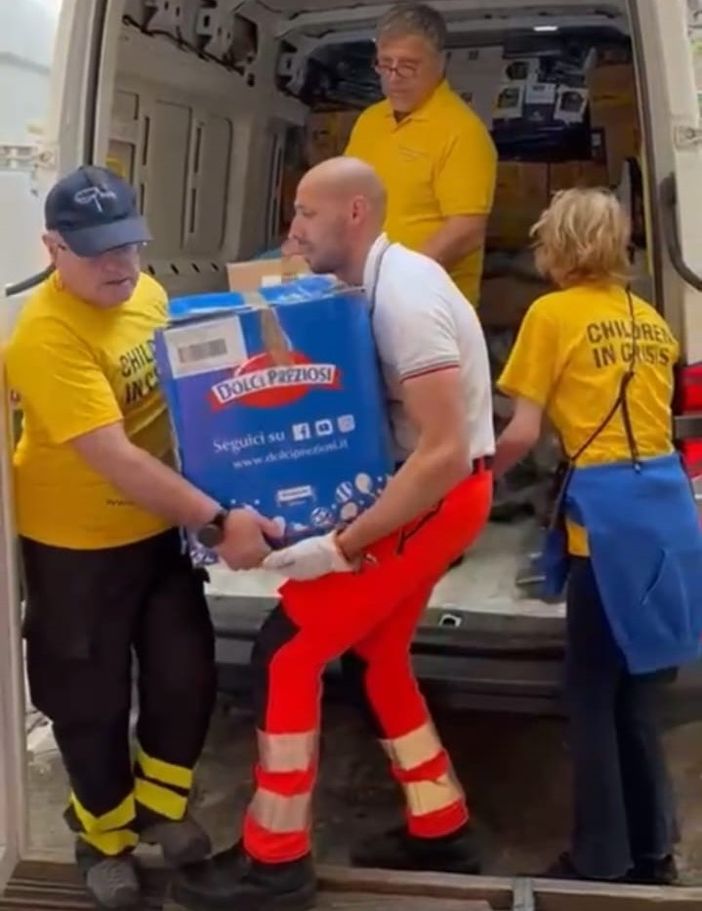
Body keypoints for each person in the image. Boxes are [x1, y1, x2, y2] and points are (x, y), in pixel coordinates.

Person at [172, 156, 495, 911]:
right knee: (377, 658)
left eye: (306, 213)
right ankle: (442, 824)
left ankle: (274, 859)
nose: (293, 228)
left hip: (437, 495)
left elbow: (443, 451)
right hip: (433, 495)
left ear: (355, 213)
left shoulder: (405, 297)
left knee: (287, 651)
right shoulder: (365, 289)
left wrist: (342, 548)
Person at [5, 165, 278, 911]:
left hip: (157, 533)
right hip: (75, 549)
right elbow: (116, 457)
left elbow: (190, 396)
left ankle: (160, 805)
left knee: (185, 677)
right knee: (88, 701)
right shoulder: (46, 337)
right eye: (98, 252)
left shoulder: (148, 295)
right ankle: (103, 837)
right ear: (53, 249)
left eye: (129, 244)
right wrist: (217, 520)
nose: (120, 265)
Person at [493, 188, 702, 885]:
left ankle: (599, 860)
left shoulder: (551, 314)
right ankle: (653, 853)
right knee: (638, 697)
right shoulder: (650, 319)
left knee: (589, 695)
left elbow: (522, 431)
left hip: (608, 529)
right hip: (669, 514)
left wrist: (467, 477)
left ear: (560, 245)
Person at [345, 2, 497, 308]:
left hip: (428, 305)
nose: (394, 77)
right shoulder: (370, 121)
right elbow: (344, 194)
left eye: (408, 66)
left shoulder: (463, 132)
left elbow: (466, 230)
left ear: (441, 63)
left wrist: (397, 280)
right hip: (363, 293)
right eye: (385, 64)